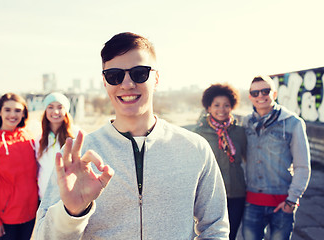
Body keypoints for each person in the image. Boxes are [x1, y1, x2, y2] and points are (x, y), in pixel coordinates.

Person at [34, 32, 229, 239]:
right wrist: (72, 213)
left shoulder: (194, 147)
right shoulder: (78, 156)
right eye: (114, 75)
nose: (127, 84)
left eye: (139, 73)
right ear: (104, 81)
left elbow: (215, 227)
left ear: (156, 78)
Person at [242, 75, 311, 240]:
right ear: (250, 96)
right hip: (252, 202)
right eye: (256, 92)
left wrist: (292, 201)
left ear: (274, 94)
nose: (261, 96)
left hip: (282, 202)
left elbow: (302, 166)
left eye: (265, 91)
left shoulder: (293, 123)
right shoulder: (246, 122)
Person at [0, 93, 38, 240]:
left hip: (30, 214)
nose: (13, 115)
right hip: (6, 217)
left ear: (23, 113)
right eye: (7, 110)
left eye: (17, 110)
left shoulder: (28, 137)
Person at [193, 83, 247, 240]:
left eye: (226, 105)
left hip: (237, 194)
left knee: (232, 235)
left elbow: (246, 158)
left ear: (232, 107)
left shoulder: (240, 132)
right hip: (210, 197)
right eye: (216, 105)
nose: (221, 109)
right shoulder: (199, 134)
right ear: (208, 107)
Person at [35, 92, 79, 201]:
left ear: (66, 110)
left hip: (68, 199)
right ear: (45, 110)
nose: (55, 112)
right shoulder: (39, 138)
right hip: (44, 199)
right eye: (50, 107)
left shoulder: (76, 134)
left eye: (60, 107)